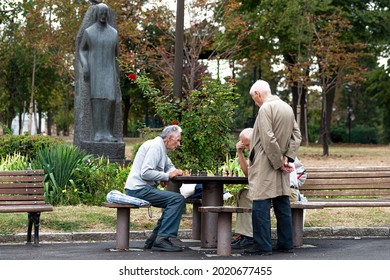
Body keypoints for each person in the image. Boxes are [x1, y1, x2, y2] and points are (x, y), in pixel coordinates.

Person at [246, 79, 302, 256]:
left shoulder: (265, 109)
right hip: (281, 163)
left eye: (254, 98)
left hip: (265, 163)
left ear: (258, 94)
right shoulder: (287, 107)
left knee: (260, 204)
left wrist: (278, 163)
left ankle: (262, 246)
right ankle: (286, 244)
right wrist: (288, 158)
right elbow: (297, 135)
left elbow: (268, 138)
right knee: (282, 203)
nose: (255, 102)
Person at [124, 125, 185, 252]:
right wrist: (166, 175)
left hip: (142, 188)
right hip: (138, 189)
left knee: (173, 201)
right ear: (169, 138)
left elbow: (170, 167)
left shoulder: (161, 149)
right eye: (178, 140)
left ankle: (154, 239)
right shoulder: (155, 147)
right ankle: (162, 239)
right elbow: (145, 172)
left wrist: (175, 172)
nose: (179, 144)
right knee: (176, 200)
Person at [79, 3, 119, 142]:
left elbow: (116, 55)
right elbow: (82, 50)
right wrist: (85, 65)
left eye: (105, 13)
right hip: (95, 69)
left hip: (109, 69)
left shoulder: (114, 33)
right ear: (96, 14)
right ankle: (98, 133)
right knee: (97, 99)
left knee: (110, 99)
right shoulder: (89, 32)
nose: (103, 15)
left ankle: (107, 132)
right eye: (100, 13)